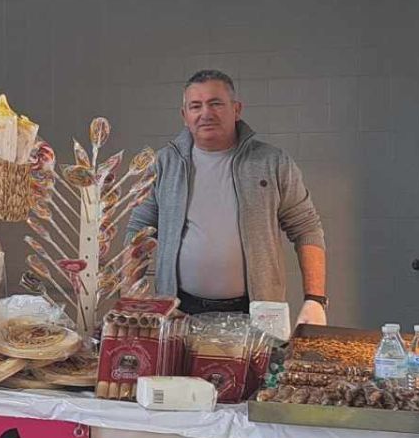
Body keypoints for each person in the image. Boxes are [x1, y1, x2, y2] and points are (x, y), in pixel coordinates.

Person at [129, 69, 328, 325]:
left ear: (236, 109)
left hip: (257, 312)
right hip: (179, 311)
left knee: (261, 368)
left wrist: (315, 300)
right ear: (184, 116)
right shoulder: (164, 164)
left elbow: (306, 228)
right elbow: (139, 231)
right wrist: (131, 295)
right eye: (195, 106)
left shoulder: (272, 162)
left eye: (216, 104)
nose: (205, 114)